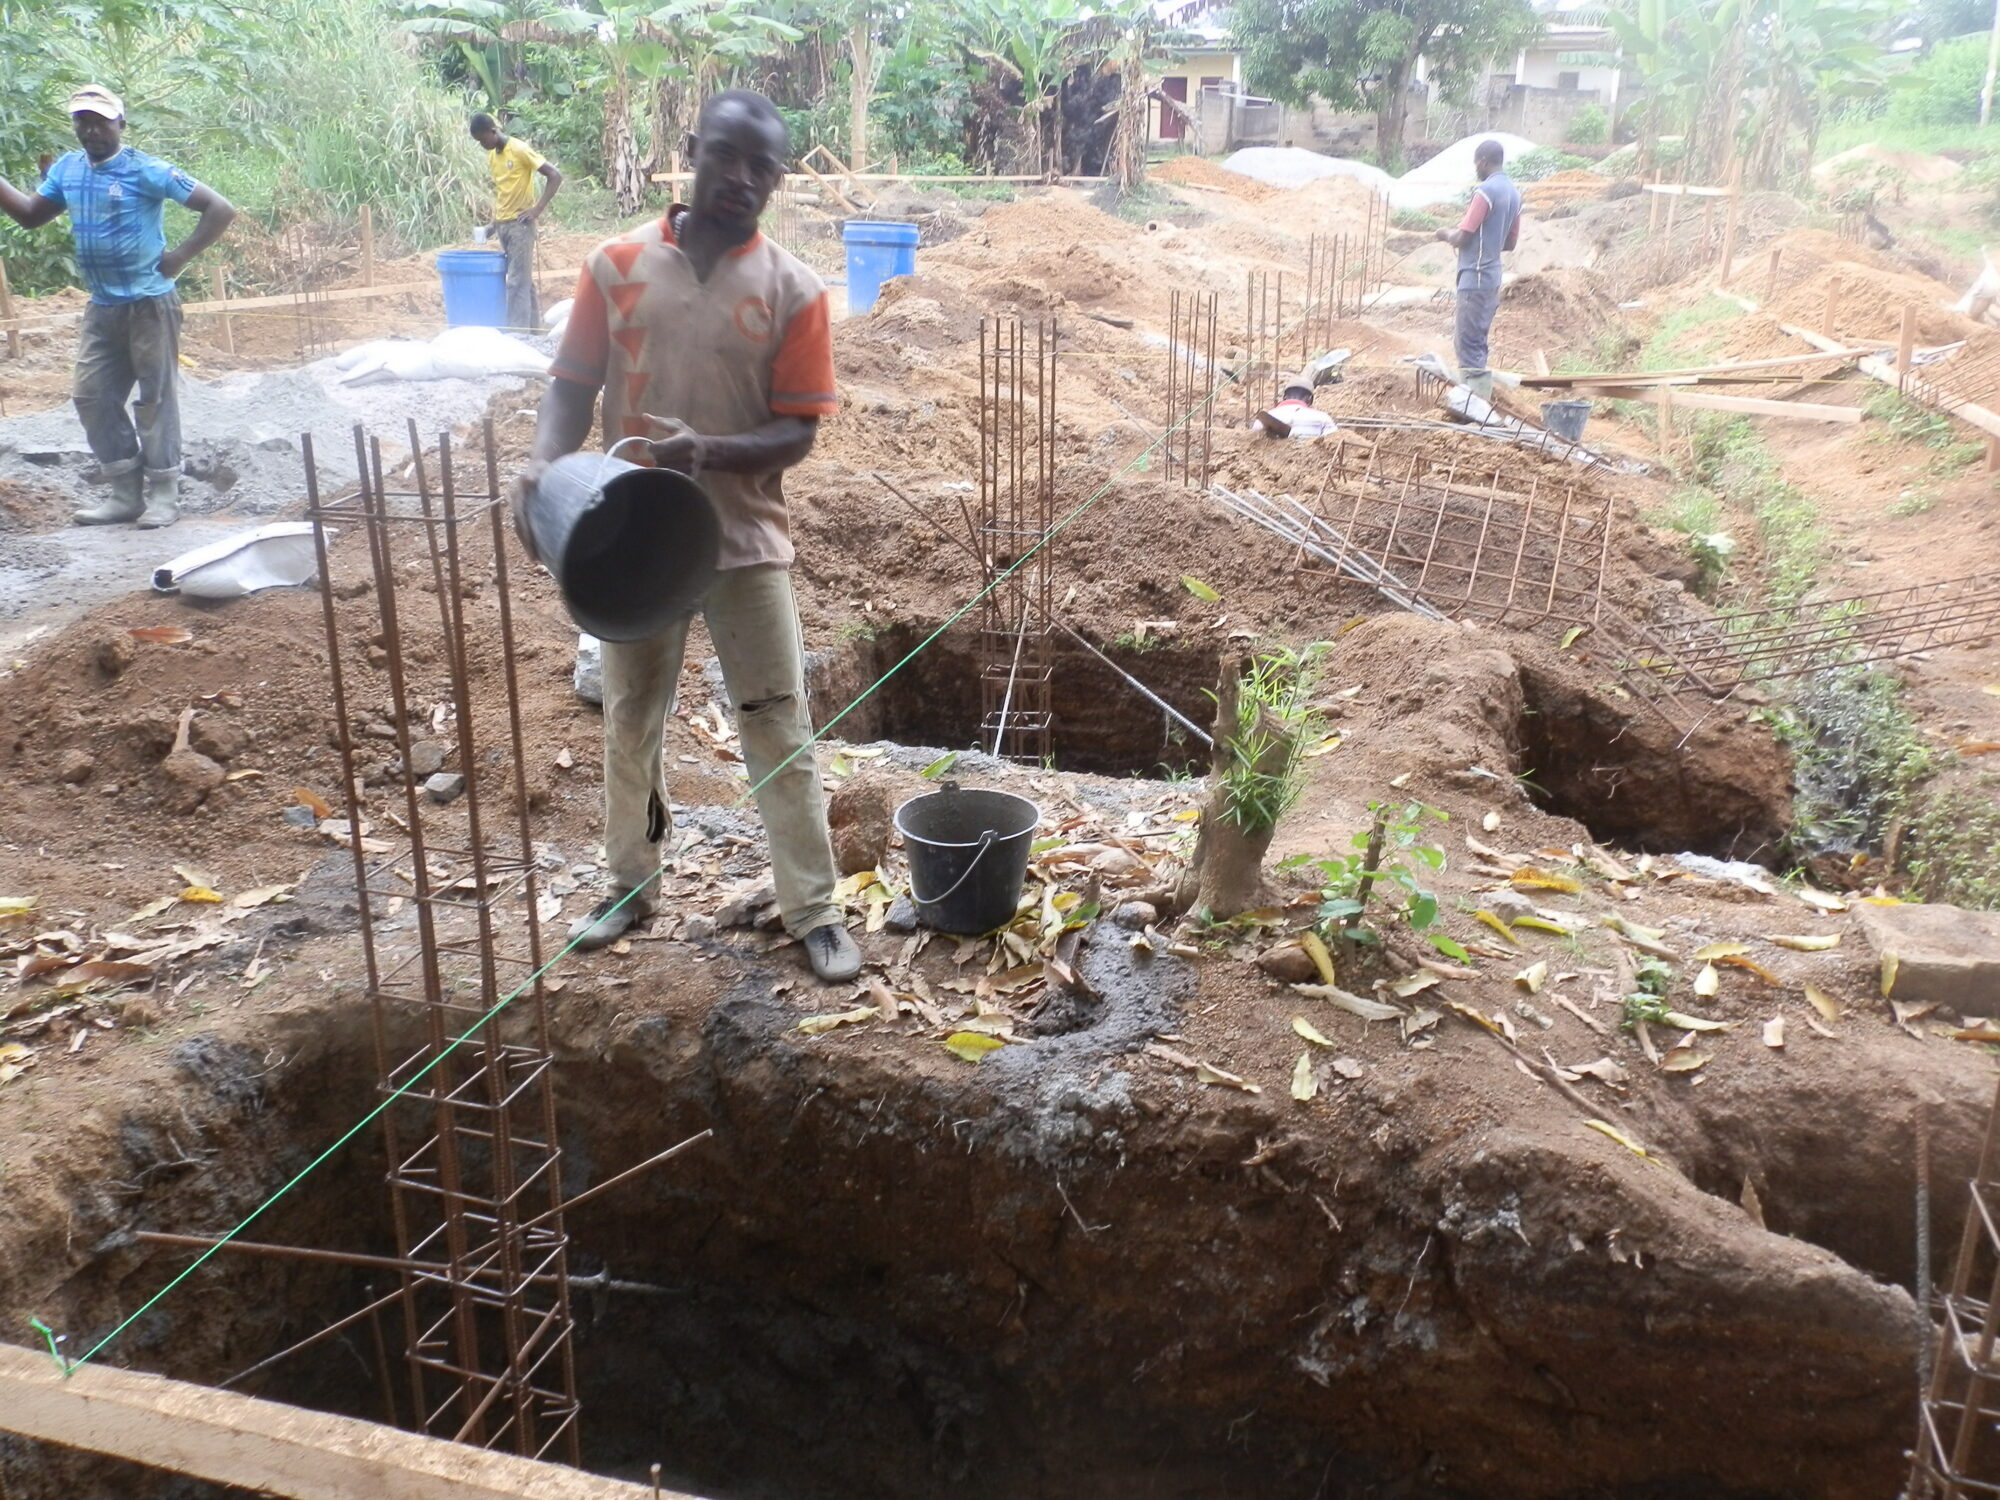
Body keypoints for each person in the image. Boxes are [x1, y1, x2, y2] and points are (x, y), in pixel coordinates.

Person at [513, 89, 860, 984]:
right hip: (632, 537)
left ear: (777, 180)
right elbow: (571, 385)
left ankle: (812, 908)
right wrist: (541, 468)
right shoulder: (616, 264)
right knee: (631, 717)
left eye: (762, 168)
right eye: (726, 157)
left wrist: (707, 451)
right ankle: (630, 886)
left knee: (777, 721)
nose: (740, 179)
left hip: (745, 542)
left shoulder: (794, 289)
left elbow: (799, 432)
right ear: (691, 150)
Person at [0, 87, 235, 529]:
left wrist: (181, 255)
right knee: (91, 396)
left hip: (149, 304)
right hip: (102, 308)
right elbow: (31, 214)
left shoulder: (146, 169)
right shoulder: (68, 170)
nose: (91, 129)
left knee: (155, 399)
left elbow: (219, 208)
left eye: (101, 121)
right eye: (82, 121)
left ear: (120, 123)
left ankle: (165, 493)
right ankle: (125, 493)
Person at [1435, 140, 1521, 404]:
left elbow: (1462, 236)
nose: (1476, 168)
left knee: (1467, 344)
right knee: (1478, 342)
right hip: (1493, 277)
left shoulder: (1485, 191)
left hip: (1474, 277)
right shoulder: (1515, 194)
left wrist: (1444, 234)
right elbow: (1511, 243)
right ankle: (1475, 402)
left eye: (1476, 163)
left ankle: (1474, 406)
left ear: (1483, 161)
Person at [470, 113, 561, 333]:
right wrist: (493, 226)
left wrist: (536, 210)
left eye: (484, 140)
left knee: (516, 283)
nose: (483, 146)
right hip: (504, 226)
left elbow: (554, 175)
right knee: (524, 282)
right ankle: (533, 332)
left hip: (521, 227)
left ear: (493, 131)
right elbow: (505, 195)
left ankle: (516, 336)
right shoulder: (494, 156)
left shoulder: (519, 150)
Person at [1257, 375, 1336, 439]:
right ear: (1309, 399)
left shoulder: (1267, 417)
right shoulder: (1322, 418)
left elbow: (1253, 441)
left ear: (1284, 397)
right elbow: (1333, 442)